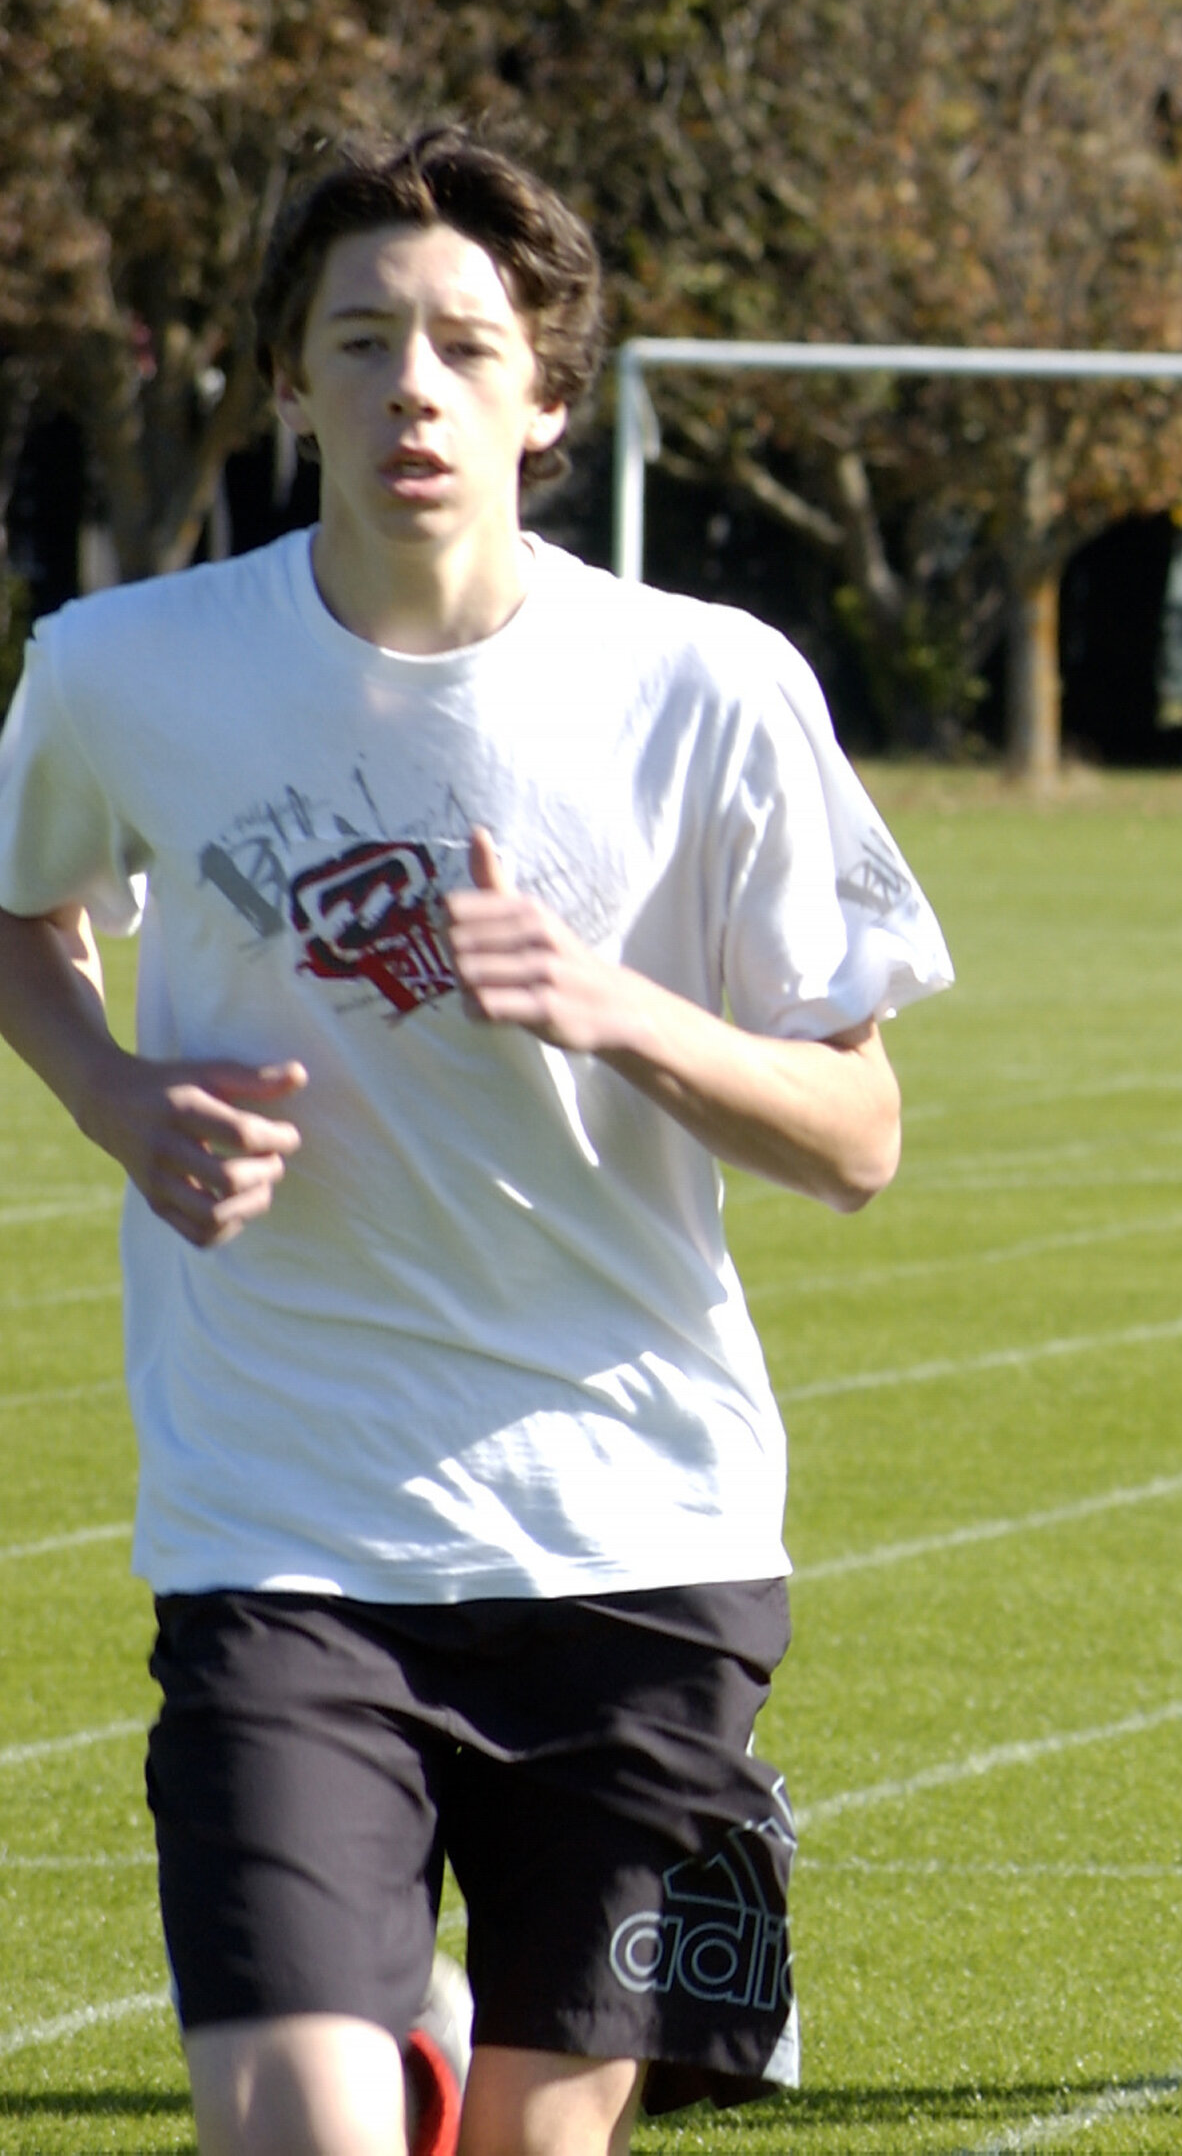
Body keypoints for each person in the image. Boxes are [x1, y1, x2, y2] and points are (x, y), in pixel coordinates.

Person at [0, 127, 950, 2156]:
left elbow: (858, 1131)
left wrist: (616, 1005)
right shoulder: (122, 671)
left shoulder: (708, 689)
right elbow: (19, 911)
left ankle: (450, 2061)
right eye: (360, 342)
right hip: (282, 1517)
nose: (409, 387)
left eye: (457, 343)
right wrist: (112, 1094)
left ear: (545, 390)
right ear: (290, 381)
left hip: (636, 1533)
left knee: (536, 2140)